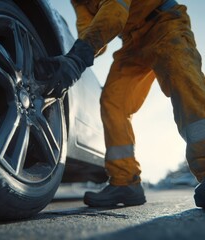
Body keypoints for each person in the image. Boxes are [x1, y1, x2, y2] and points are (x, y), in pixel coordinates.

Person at [37, 0, 205, 208]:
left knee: (185, 81)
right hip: (132, 42)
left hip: (165, 23)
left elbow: (116, 11)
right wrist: (71, 57)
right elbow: (91, 32)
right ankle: (125, 182)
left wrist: (77, 59)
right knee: (113, 101)